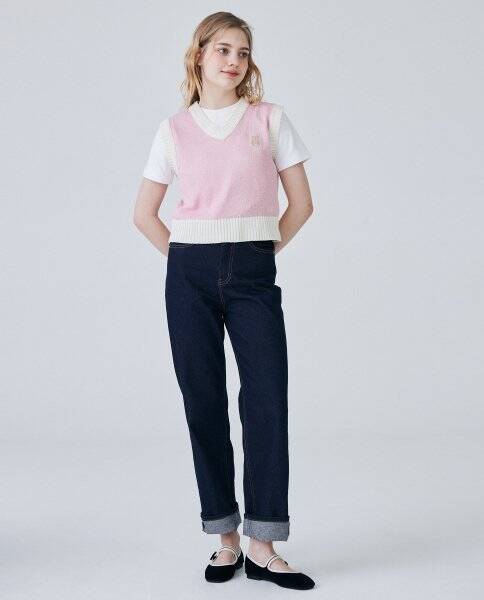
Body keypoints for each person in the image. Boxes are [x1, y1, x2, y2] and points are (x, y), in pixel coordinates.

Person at [133, 11, 316, 591]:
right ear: (199, 56)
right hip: (188, 273)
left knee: (266, 399)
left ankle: (263, 545)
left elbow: (302, 203)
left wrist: (260, 250)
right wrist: (186, 258)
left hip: (253, 271)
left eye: (242, 52)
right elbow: (144, 214)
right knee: (203, 401)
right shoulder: (173, 129)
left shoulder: (270, 119)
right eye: (223, 49)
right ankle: (225, 537)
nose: (233, 61)